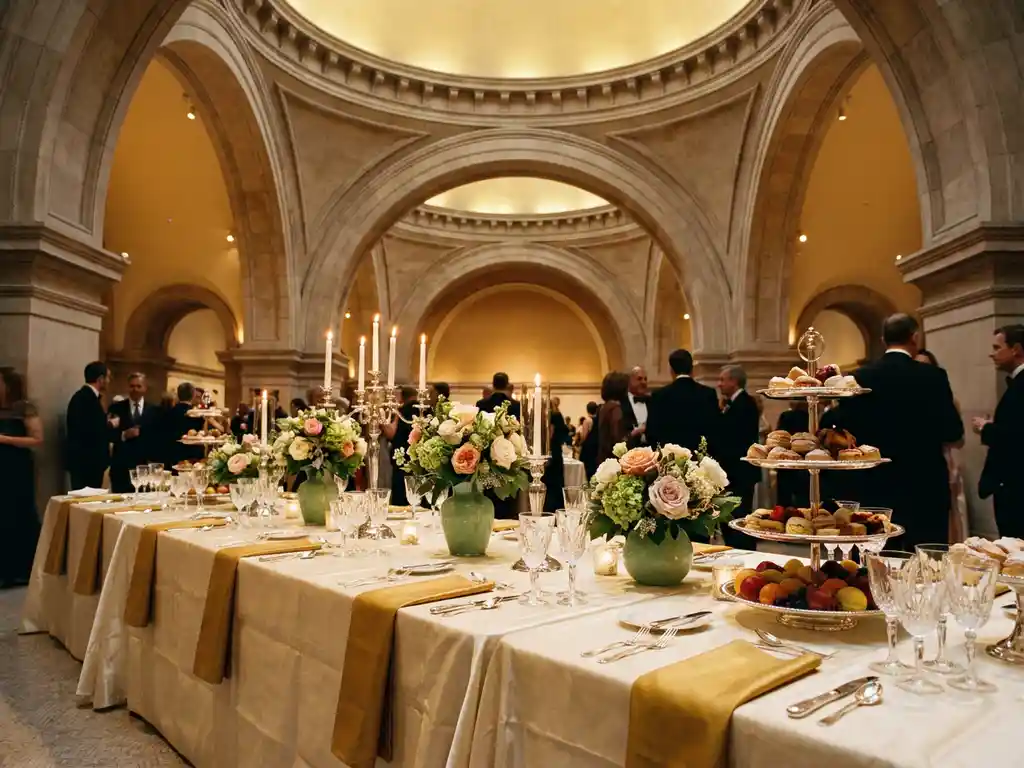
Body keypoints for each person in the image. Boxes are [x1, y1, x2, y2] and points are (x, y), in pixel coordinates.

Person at [830, 314, 963, 548]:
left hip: (875, 481)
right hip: (925, 481)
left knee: (878, 555)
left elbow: (844, 426)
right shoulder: (933, 376)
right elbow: (952, 430)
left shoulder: (861, 377)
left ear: (883, 340)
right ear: (914, 337)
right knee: (926, 556)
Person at [975, 324, 1024, 538]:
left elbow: (1016, 437)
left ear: (1016, 349)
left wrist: (986, 428)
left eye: (997, 347)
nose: (992, 353)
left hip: (1016, 486)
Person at [915, 349, 969, 542]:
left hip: (942, 458)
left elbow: (957, 437)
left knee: (950, 513)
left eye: (926, 365)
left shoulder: (947, 399)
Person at [0, 369, 43, 587]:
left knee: (18, 512)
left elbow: (36, 439)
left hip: (17, 467)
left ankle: (22, 569)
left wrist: (4, 439)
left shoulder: (25, 408)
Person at [717, 365, 761, 547]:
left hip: (739, 472)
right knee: (731, 517)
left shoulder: (745, 404)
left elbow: (733, 438)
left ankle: (743, 550)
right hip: (736, 472)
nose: (719, 384)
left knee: (739, 517)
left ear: (734, 381)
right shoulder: (736, 403)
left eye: (722, 380)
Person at [646, 349, 720, 453]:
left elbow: (652, 433)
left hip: (670, 460)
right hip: (701, 459)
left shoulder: (659, 395)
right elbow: (715, 431)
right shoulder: (708, 394)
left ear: (671, 370)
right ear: (692, 369)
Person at [107, 373, 158, 493]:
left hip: (144, 469)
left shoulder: (154, 411)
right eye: (132, 386)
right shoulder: (116, 408)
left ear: (145, 388)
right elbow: (107, 434)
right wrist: (123, 435)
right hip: (121, 468)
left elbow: (158, 437)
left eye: (138, 386)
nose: (135, 389)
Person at [65, 361, 112, 489]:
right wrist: (110, 424)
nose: (109, 381)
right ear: (101, 379)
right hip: (87, 463)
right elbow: (91, 430)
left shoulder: (84, 397)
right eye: (107, 377)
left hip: (87, 462)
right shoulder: (85, 398)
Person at [383, 386, 417, 506]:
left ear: (402, 397)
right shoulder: (424, 411)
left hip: (401, 459)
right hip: (418, 460)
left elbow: (391, 433)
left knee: (401, 493)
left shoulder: (402, 411)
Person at [165, 382, 206, 466]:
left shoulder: (168, 412)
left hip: (172, 457)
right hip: (194, 458)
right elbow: (202, 435)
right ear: (193, 395)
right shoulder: (198, 414)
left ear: (178, 394)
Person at [596, 372, 630, 463]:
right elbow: (618, 438)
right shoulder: (615, 409)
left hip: (604, 457)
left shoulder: (605, 407)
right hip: (614, 459)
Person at [542, 411, 571, 512]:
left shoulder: (552, 417)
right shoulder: (557, 417)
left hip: (552, 454)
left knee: (551, 487)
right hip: (556, 454)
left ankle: (549, 511)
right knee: (556, 485)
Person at [621, 365, 650, 447]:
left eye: (645, 379)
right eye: (639, 379)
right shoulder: (621, 403)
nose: (644, 382)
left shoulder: (652, 401)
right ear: (629, 381)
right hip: (629, 451)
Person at [578, 401, 600, 478]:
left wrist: (580, 444)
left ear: (587, 410)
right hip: (597, 446)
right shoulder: (599, 420)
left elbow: (584, 436)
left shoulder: (587, 421)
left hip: (588, 447)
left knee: (588, 468)